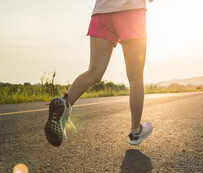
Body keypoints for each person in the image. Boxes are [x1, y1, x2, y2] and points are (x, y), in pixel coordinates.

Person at [45, 0, 154, 147]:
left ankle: (65, 105)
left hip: (101, 13)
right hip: (131, 11)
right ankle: (136, 131)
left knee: (94, 71)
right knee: (135, 77)